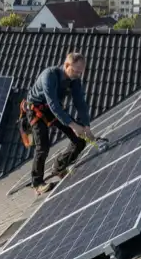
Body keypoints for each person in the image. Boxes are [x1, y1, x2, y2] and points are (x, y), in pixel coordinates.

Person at [25, 52, 93, 195]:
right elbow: (54, 104)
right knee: (42, 147)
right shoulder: (49, 76)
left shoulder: (75, 80)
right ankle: (37, 183)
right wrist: (73, 125)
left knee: (80, 141)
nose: (78, 75)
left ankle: (59, 167)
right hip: (37, 109)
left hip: (53, 109)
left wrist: (86, 126)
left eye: (81, 72)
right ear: (66, 65)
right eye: (75, 71)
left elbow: (80, 103)